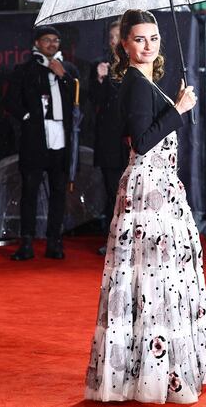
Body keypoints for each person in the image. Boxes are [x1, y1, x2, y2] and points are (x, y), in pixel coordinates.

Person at [84, 9, 206, 403]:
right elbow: (141, 142)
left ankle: (148, 370)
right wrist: (179, 110)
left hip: (159, 187)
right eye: (139, 39)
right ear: (123, 45)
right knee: (154, 279)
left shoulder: (143, 82)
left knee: (155, 278)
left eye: (154, 38)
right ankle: (155, 373)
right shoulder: (137, 85)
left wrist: (174, 105)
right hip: (149, 189)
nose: (148, 46)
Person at [4, 25, 78, 261]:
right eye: (47, 40)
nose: (52, 44)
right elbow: (11, 101)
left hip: (61, 137)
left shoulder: (69, 69)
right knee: (30, 191)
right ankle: (26, 243)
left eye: (56, 40)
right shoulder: (24, 69)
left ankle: (54, 241)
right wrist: (28, 117)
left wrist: (62, 76)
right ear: (37, 43)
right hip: (35, 138)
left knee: (58, 191)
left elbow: (78, 102)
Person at [89, 20, 129, 255]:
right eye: (112, 37)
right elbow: (94, 101)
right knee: (113, 191)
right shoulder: (99, 66)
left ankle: (135, 239)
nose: (116, 41)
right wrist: (101, 80)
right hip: (109, 140)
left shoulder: (136, 65)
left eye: (120, 36)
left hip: (133, 138)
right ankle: (114, 240)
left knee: (133, 190)